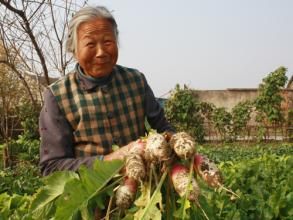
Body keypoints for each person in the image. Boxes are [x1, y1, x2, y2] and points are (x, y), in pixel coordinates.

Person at [39, 6, 174, 176]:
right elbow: (51, 167)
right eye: (90, 44)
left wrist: (177, 143)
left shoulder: (136, 80)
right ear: (74, 51)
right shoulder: (58, 96)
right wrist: (110, 160)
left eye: (108, 42)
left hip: (143, 191)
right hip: (92, 197)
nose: (101, 52)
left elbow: (163, 128)